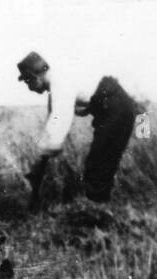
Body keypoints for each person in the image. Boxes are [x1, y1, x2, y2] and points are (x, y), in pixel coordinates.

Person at [17, 49, 140, 209]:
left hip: (116, 110)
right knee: (101, 162)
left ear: (35, 76)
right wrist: (41, 159)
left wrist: (47, 149)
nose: (30, 88)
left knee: (98, 165)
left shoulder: (60, 84)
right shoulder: (57, 86)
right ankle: (101, 209)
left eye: (28, 82)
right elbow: (52, 121)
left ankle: (96, 214)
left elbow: (59, 122)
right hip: (111, 111)